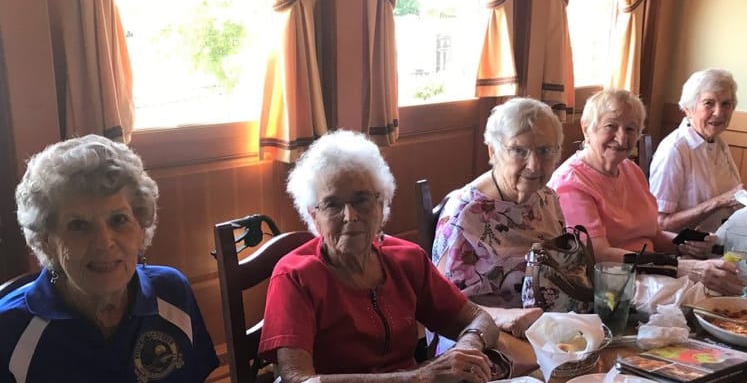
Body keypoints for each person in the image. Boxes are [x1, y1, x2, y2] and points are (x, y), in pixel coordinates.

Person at [259, 130, 499, 383]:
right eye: (332, 205)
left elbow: (478, 318)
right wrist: (417, 377)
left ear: (381, 203)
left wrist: (467, 348)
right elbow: (297, 380)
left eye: (361, 200)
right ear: (314, 215)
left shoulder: (407, 260)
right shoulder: (295, 276)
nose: (350, 216)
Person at [1, 135, 218, 382]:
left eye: (119, 220)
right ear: (46, 240)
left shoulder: (172, 293)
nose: (104, 243)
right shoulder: (9, 331)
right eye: (79, 225)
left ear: (141, 228)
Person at [547, 89, 744, 295]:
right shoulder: (571, 182)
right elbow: (598, 255)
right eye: (611, 126)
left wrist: (682, 245)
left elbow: (651, 234)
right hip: (608, 288)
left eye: (631, 128)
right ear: (587, 128)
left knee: (732, 289)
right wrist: (678, 266)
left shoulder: (630, 169)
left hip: (649, 278)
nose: (622, 138)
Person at [432, 98, 568, 339]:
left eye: (545, 150)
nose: (534, 165)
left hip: (549, 328)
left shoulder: (547, 198)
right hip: (480, 335)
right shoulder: (465, 214)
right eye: (519, 150)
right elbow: (438, 304)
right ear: (493, 151)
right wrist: (500, 317)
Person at [649, 68, 747, 234]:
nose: (719, 112)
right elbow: (660, 224)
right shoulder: (674, 150)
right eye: (708, 103)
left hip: (720, 241)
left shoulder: (718, 144)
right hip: (684, 250)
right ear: (688, 109)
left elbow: (729, 201)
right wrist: (718, 202)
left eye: (726, 104)